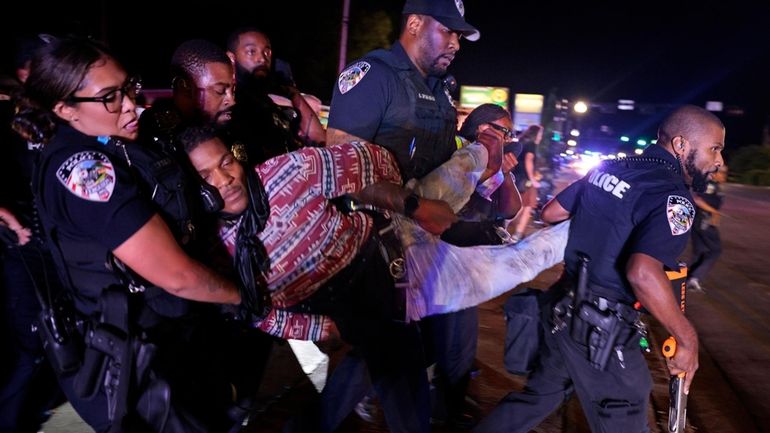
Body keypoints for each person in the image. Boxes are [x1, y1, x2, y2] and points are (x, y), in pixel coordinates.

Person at [13, 36, 252, 432]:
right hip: (142, 365)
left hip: (166, 344)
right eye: (110, 97)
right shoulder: (85, 169)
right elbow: (177, 275)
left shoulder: (107, 143)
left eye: (129, 87)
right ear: (64, 109)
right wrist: (247, 298)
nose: (130, 104)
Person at [474, 105, 725, 433]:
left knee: (539, 398)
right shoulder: (674, 198)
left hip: (562, 312)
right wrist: (686, 338)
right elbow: (643, 273)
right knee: (626, 411)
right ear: (681, 145)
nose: (719, 161)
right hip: (602, 331)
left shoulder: (611, 167)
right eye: (714, 149)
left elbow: (551, 213)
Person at [0, 34, 66, 433]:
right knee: (27, 348)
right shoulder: (8, 118)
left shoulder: (60, 118)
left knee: (53, 342)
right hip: (21, 248)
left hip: (55, 248)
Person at [226, 27, 325, 163]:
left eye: (267, 52)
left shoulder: (274, 99)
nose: (262, 58)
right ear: (232, 58)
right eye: (251, 52)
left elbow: (319, 139)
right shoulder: (230, 102)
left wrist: (293, 93)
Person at [687, 164, 728, 292]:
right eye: (722, 173)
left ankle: (686, 279)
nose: (725, 176)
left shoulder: (715, 185)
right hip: (704, 221)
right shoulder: (710, 184)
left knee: (699, 251)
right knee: (715, 250)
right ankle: (695, 278)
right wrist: (714, 213)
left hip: (698, 221)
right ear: (714, 173)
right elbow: (697, 200)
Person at [510, 123, 544, 243]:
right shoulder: (531, 145)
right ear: (535, 134)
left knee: (518, 205)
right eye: (540, 134)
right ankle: (516, 234)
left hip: (517, 178)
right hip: (526, 181)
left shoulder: (522, 143)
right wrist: (533, 179)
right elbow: (529, 161)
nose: (541, 136)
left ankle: (506, 227)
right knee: (526, 207)